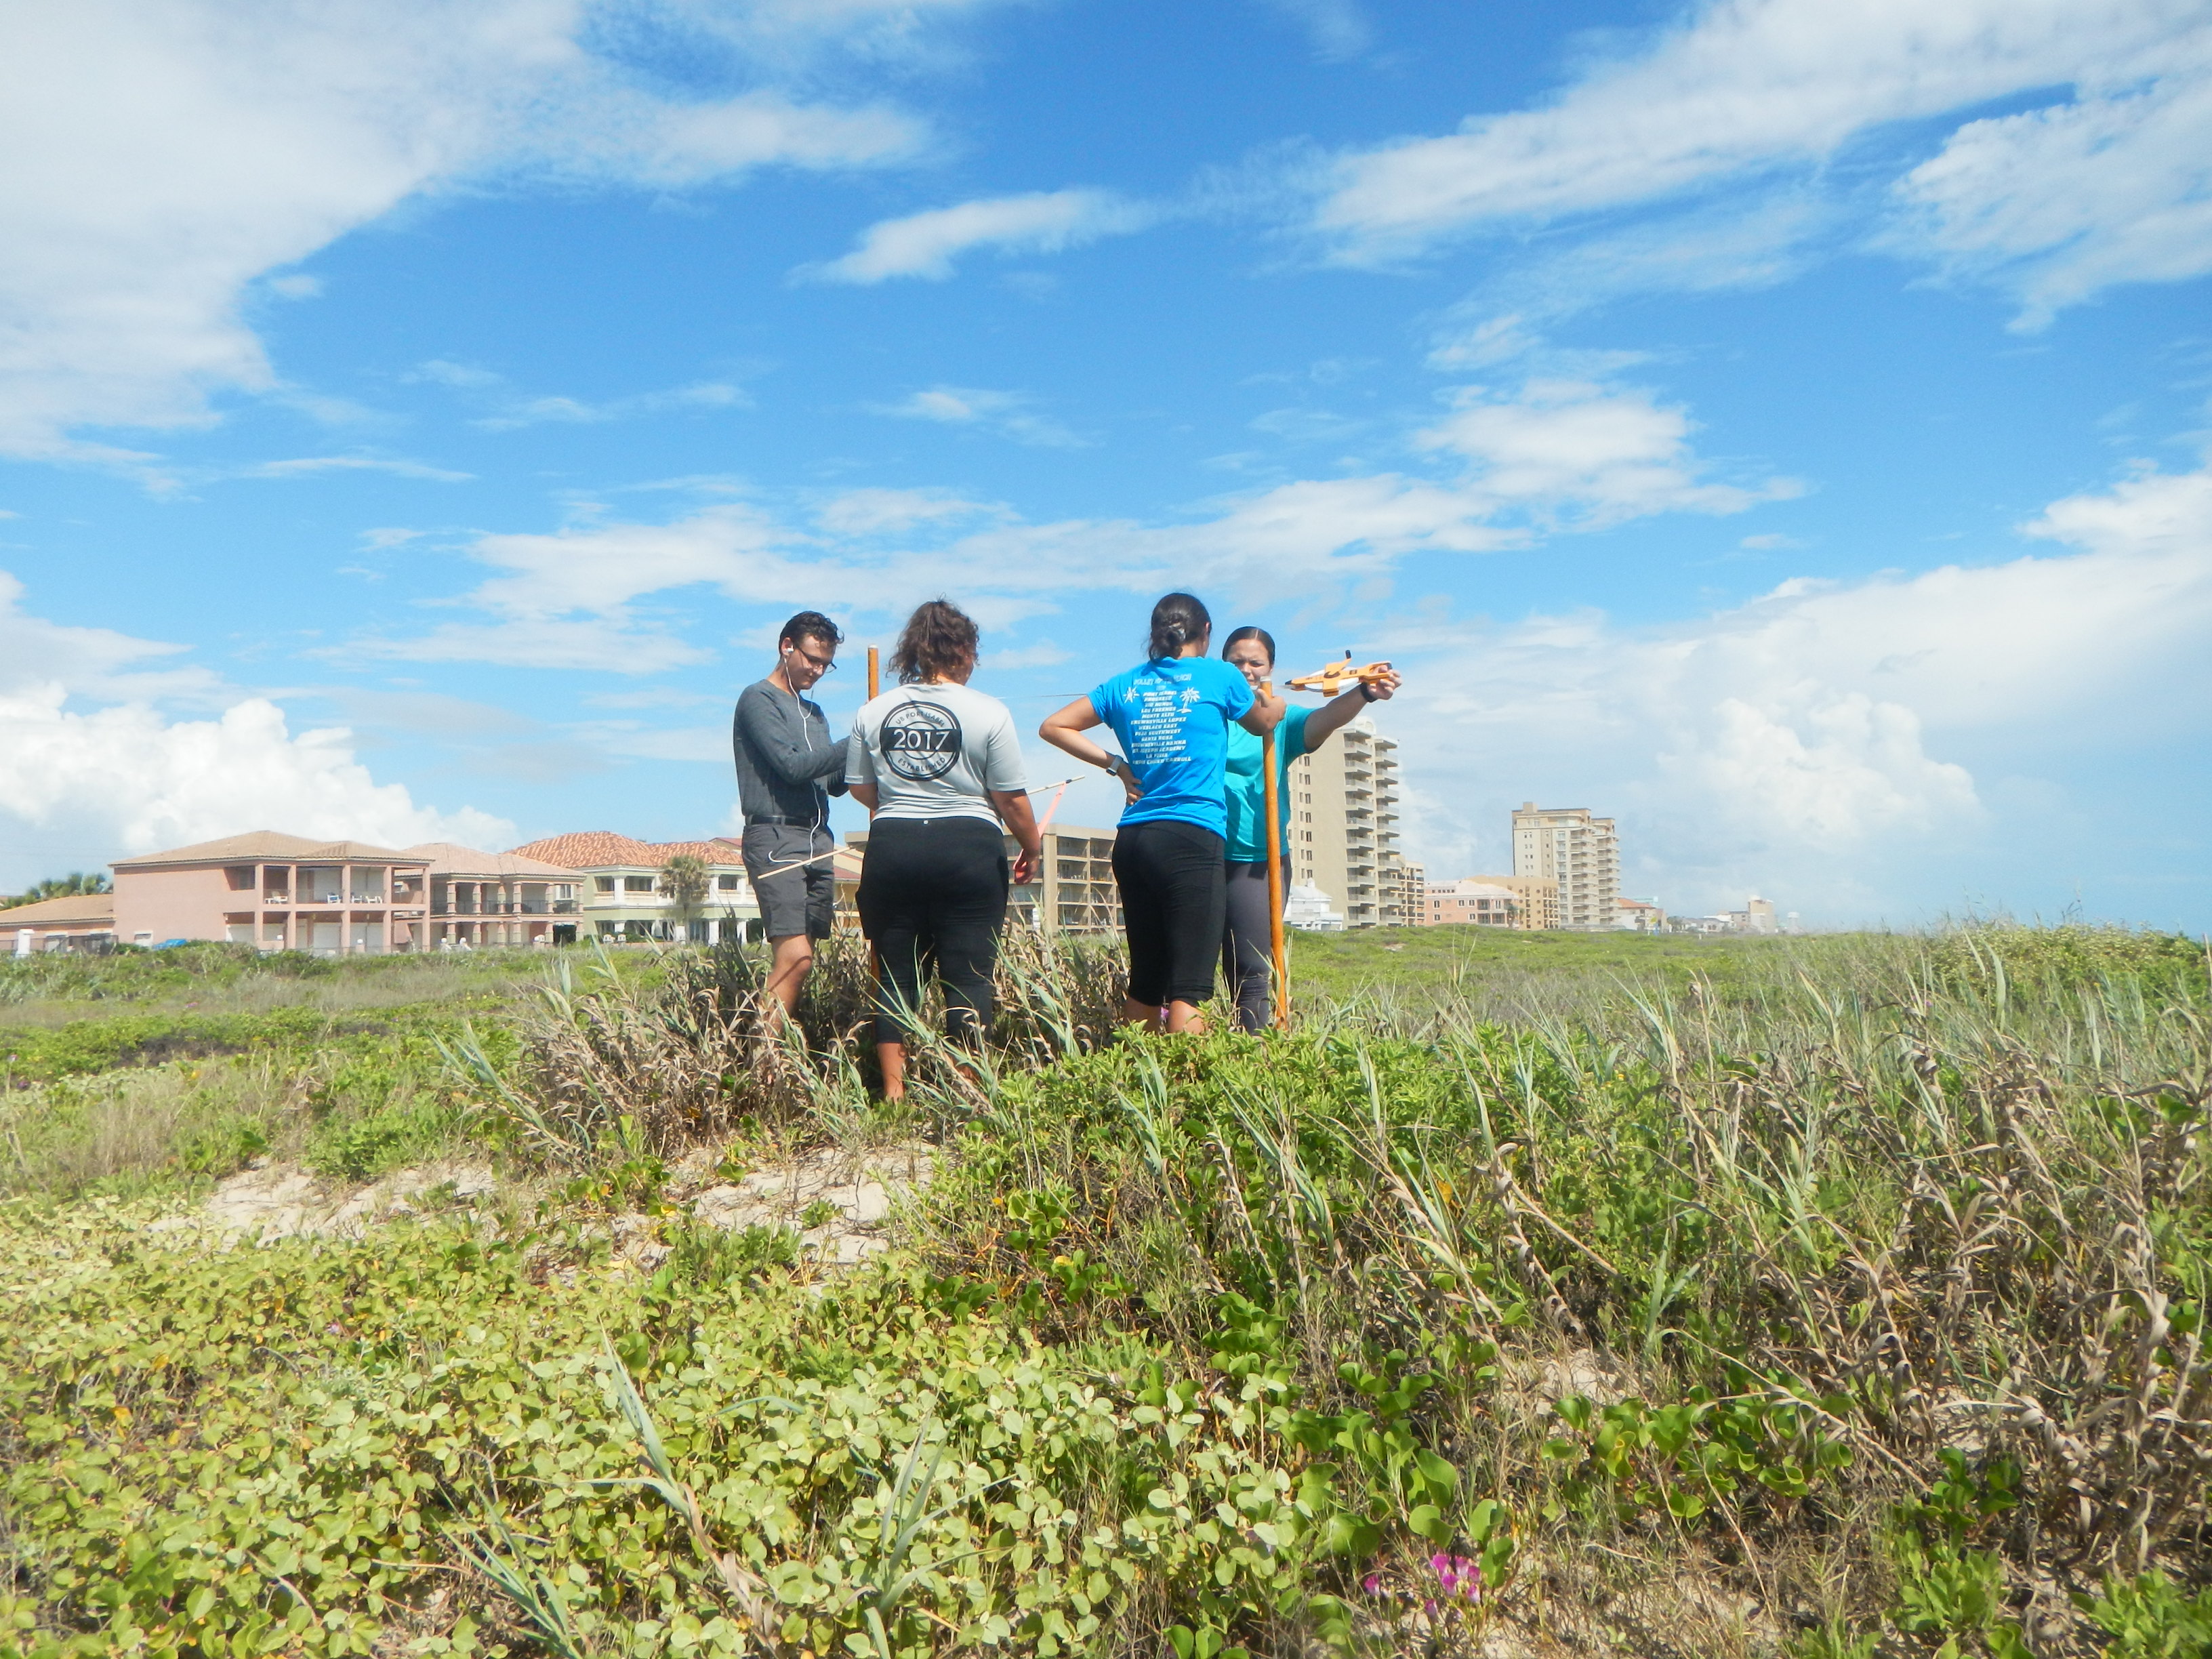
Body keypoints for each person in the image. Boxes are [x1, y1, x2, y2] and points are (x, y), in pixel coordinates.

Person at [1040, 592, 1282, 1034]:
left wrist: (1117, 765)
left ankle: (1139, 1069)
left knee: (1147, 980)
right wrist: (1276, 705)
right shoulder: (1221, 676)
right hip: (1191, 835)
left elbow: (1053, 726)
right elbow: (1263, 722)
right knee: (1190, 985)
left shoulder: (1123, 684)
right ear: (1206, 632)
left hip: (1133, 839)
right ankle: (1186, 1077)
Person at [847, 600, 1042, 1101]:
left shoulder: (873, 711)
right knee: (969, 978)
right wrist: (1032, 846)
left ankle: (894, 1096)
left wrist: (902, 803)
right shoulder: (990, 711)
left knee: (895, 977)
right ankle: (967, 1096)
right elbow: (1010, 798)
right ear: (964, 650)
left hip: (893, 846)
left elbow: (861, 788)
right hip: (968, 848)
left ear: (914, 651)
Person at [1218, 626, 1401, 1031]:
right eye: (1236, 662)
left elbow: (1325, 719)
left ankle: (1252, 1051)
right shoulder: (1208, 714)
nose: (1246, 670)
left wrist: (1365, 692)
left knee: (1250, 969)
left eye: (1255, 663)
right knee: (1189, 968)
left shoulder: (1282, 719)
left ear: (1271, 667)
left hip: (1258, 860)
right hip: (1203, 851)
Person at [733, 610, 848, 1019]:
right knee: (795, 958)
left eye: (825, 664)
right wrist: (859, 739)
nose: (817, 670)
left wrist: (876, 750)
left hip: (820, 839)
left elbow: (834, 782)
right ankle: (765, 1054)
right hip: (776, 840)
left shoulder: (815, 714)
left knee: (805, 958)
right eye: (812, 659)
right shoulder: (758, 699)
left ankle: (781, 1045)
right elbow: (792, 767)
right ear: (786, 647)